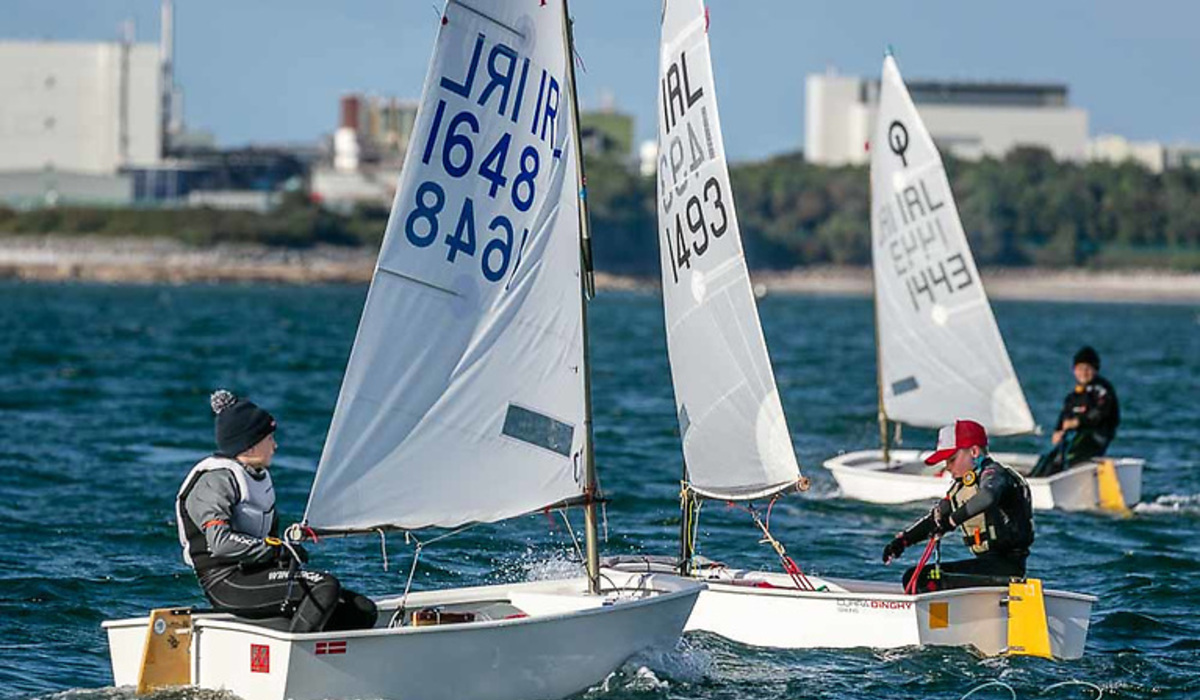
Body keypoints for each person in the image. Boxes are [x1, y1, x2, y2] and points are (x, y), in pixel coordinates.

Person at [176, 389, 377, 633]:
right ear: (249, 446)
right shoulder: (215, 480)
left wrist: (283, 552)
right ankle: (296, 652)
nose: (275, 445)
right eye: (269, 438)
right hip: (226, 582)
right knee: (324, 587)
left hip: (256, 574)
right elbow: (220, 543)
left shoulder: (257, 478)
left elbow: (267, 539)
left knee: (362, 610)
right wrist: (274, 549)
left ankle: (315, 648)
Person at [882, 419, 1035, 592]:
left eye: (952, 460)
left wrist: (952, 521)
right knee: (914, 577)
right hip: (986, 567)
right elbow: (936, 520)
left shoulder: (995, 475)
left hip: (1007, 570)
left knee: (920, 580)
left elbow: (988, 497)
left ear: (974, 452)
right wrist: (903, 541)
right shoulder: (961, 488)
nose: (947, 467)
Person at [1030, 346, 1121, 477]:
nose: (1083, 372)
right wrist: (1058, 430)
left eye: (1087, 369)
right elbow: (1065, 414)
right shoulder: (1075, 395)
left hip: (1096, 436)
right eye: (1080, 369)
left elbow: (1100, 413)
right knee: (1048, 458)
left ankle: (1064, 480)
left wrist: (1078, 422)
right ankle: (1033, 480)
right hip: (1075, 436)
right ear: (1074, 370)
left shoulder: (1102, 390)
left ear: (1095, 370)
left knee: (1071, 455)